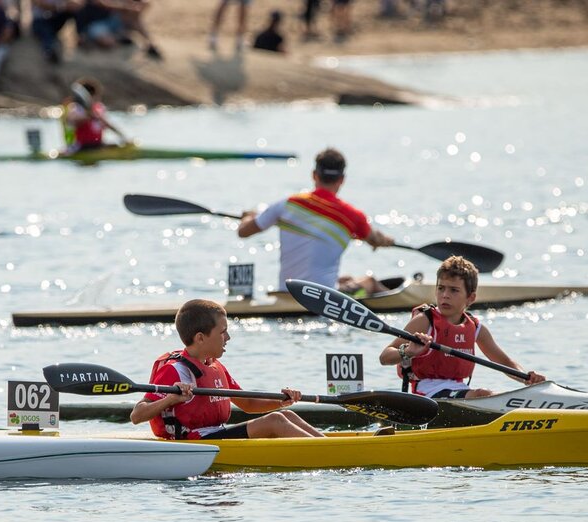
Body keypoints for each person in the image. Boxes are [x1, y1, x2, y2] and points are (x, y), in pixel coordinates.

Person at [130, 299, 323, 440]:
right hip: (195, 442)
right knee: (275, 422)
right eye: (223, 332)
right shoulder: (175, 370)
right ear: (200, 338)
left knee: (285, 415)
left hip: (216, 434)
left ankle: (329, 446)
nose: (228, 337)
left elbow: (247, 404)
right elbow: (137, 415)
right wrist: (172, 398)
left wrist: (282, 401)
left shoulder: (214, 366)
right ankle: (329, 454)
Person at [379, 256, 546, 399]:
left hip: (458, 391)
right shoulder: (425, 321)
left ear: (471, 298)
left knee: (494, 395)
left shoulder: (475, 328)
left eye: (454, 290)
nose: (445, 295)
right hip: (426, 395)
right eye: (441, 288)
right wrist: (407, 351)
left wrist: (526, 379)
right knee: (483, 395)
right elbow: (385, 357)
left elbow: (504, 362)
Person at [237, 147, 395, 295]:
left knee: (346, 279)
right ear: (342, 180)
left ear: (314, 175)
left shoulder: (287, 204)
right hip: (324, 298)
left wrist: (249, 216)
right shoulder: (352, 216)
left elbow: (243, 231)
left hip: (286, 293)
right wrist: (385, 240)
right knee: (370, 281)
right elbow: (374, 238)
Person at [60, 77, 128, 151]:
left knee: (115, 146)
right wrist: (89, 116)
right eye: (97, 96)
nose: (99, 99)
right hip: (82, 147)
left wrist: (121, 136)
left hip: (97, 145)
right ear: (91, 96)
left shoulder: (97, 109)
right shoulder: (77, 109)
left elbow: (106, 124)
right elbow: (71, 120)